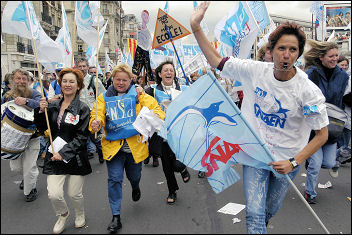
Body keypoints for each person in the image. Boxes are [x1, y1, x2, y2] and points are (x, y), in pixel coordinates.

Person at [190, 2, 329, 233]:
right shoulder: (255, 70)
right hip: (255, 154)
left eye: (293, 50)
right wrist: (196, 28)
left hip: (287, 161)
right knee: (254, 214)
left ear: (298, 53)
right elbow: (218, 61)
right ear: (271, 50)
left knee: (268, 210)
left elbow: (321, 134)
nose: (286, 55)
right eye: (281, 48)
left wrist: (294, 162)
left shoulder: (308, 91)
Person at [89, 63, 165, 233]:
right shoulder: (104, 97)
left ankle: (135, 186)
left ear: (131, 80)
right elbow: (97, 115)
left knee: (134, 176)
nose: (121, 83)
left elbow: (159, 113)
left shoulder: (139, 95)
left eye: (125, 80)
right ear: (113, 79)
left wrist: (143, 99)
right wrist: (95, 123)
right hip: (113, 148)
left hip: (134, 148)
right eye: (118, 79)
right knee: (114, 179)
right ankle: (116, 216)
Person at [34, 68, 92, 234]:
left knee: (74, 194)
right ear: (60, 84)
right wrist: (40, 111)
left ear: (78, 86)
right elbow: (41, 127)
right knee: (54, 194)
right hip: (54, 156)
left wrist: (64, 153)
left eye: (71, 81)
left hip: (75, 157)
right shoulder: (52, 105)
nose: (67, 84)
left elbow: (82, 137)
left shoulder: (82, 108)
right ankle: (63, 215)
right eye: (64, 81)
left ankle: (80, 214)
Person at [303, 41, 350, 187]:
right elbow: (303, 99)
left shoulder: (343, 76)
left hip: (332, 125)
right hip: (313, 125)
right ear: (321, 57)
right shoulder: (311, 74)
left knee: (328, 163)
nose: (335, 59)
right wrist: (310, 113)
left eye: (336, 55)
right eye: (331, 56)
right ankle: (310, 192)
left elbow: (344, 98)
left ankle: (309, 159)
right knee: (316, 163)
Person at [145, 60, 191, 204]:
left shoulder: (183, 89)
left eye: (171, 70)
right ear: (160, 74)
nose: (169, 72)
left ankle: (182, 169)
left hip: (179, 132)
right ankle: (172, 191)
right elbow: (141, 100)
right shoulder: (152, 90)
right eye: (165, 70)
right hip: (161, 133)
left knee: (176, 163)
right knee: (166, 166)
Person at [1, 68, 42, 202]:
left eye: (24, 79)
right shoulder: (7, 96)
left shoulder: (34, 93)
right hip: (13, 139)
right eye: (18, 78)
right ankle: (27, 178)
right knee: (16, 168)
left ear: (28, 81)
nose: (21, 81)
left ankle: (31, 189)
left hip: (32, 137)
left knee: (29, 167)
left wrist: (26, 102)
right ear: (13, 80)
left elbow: (41, 105)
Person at [76, 57, 105, 163]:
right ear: (76, 67)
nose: (82, 68)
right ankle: (83, 159)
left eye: (84, 66)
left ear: (88, 67)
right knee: (80, 138)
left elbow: (102, 96)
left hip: (93, 114)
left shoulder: (95, 80)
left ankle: (101, 152)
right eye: (80, 66)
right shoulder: (74, 81)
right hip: (79, 115)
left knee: (95, 138)